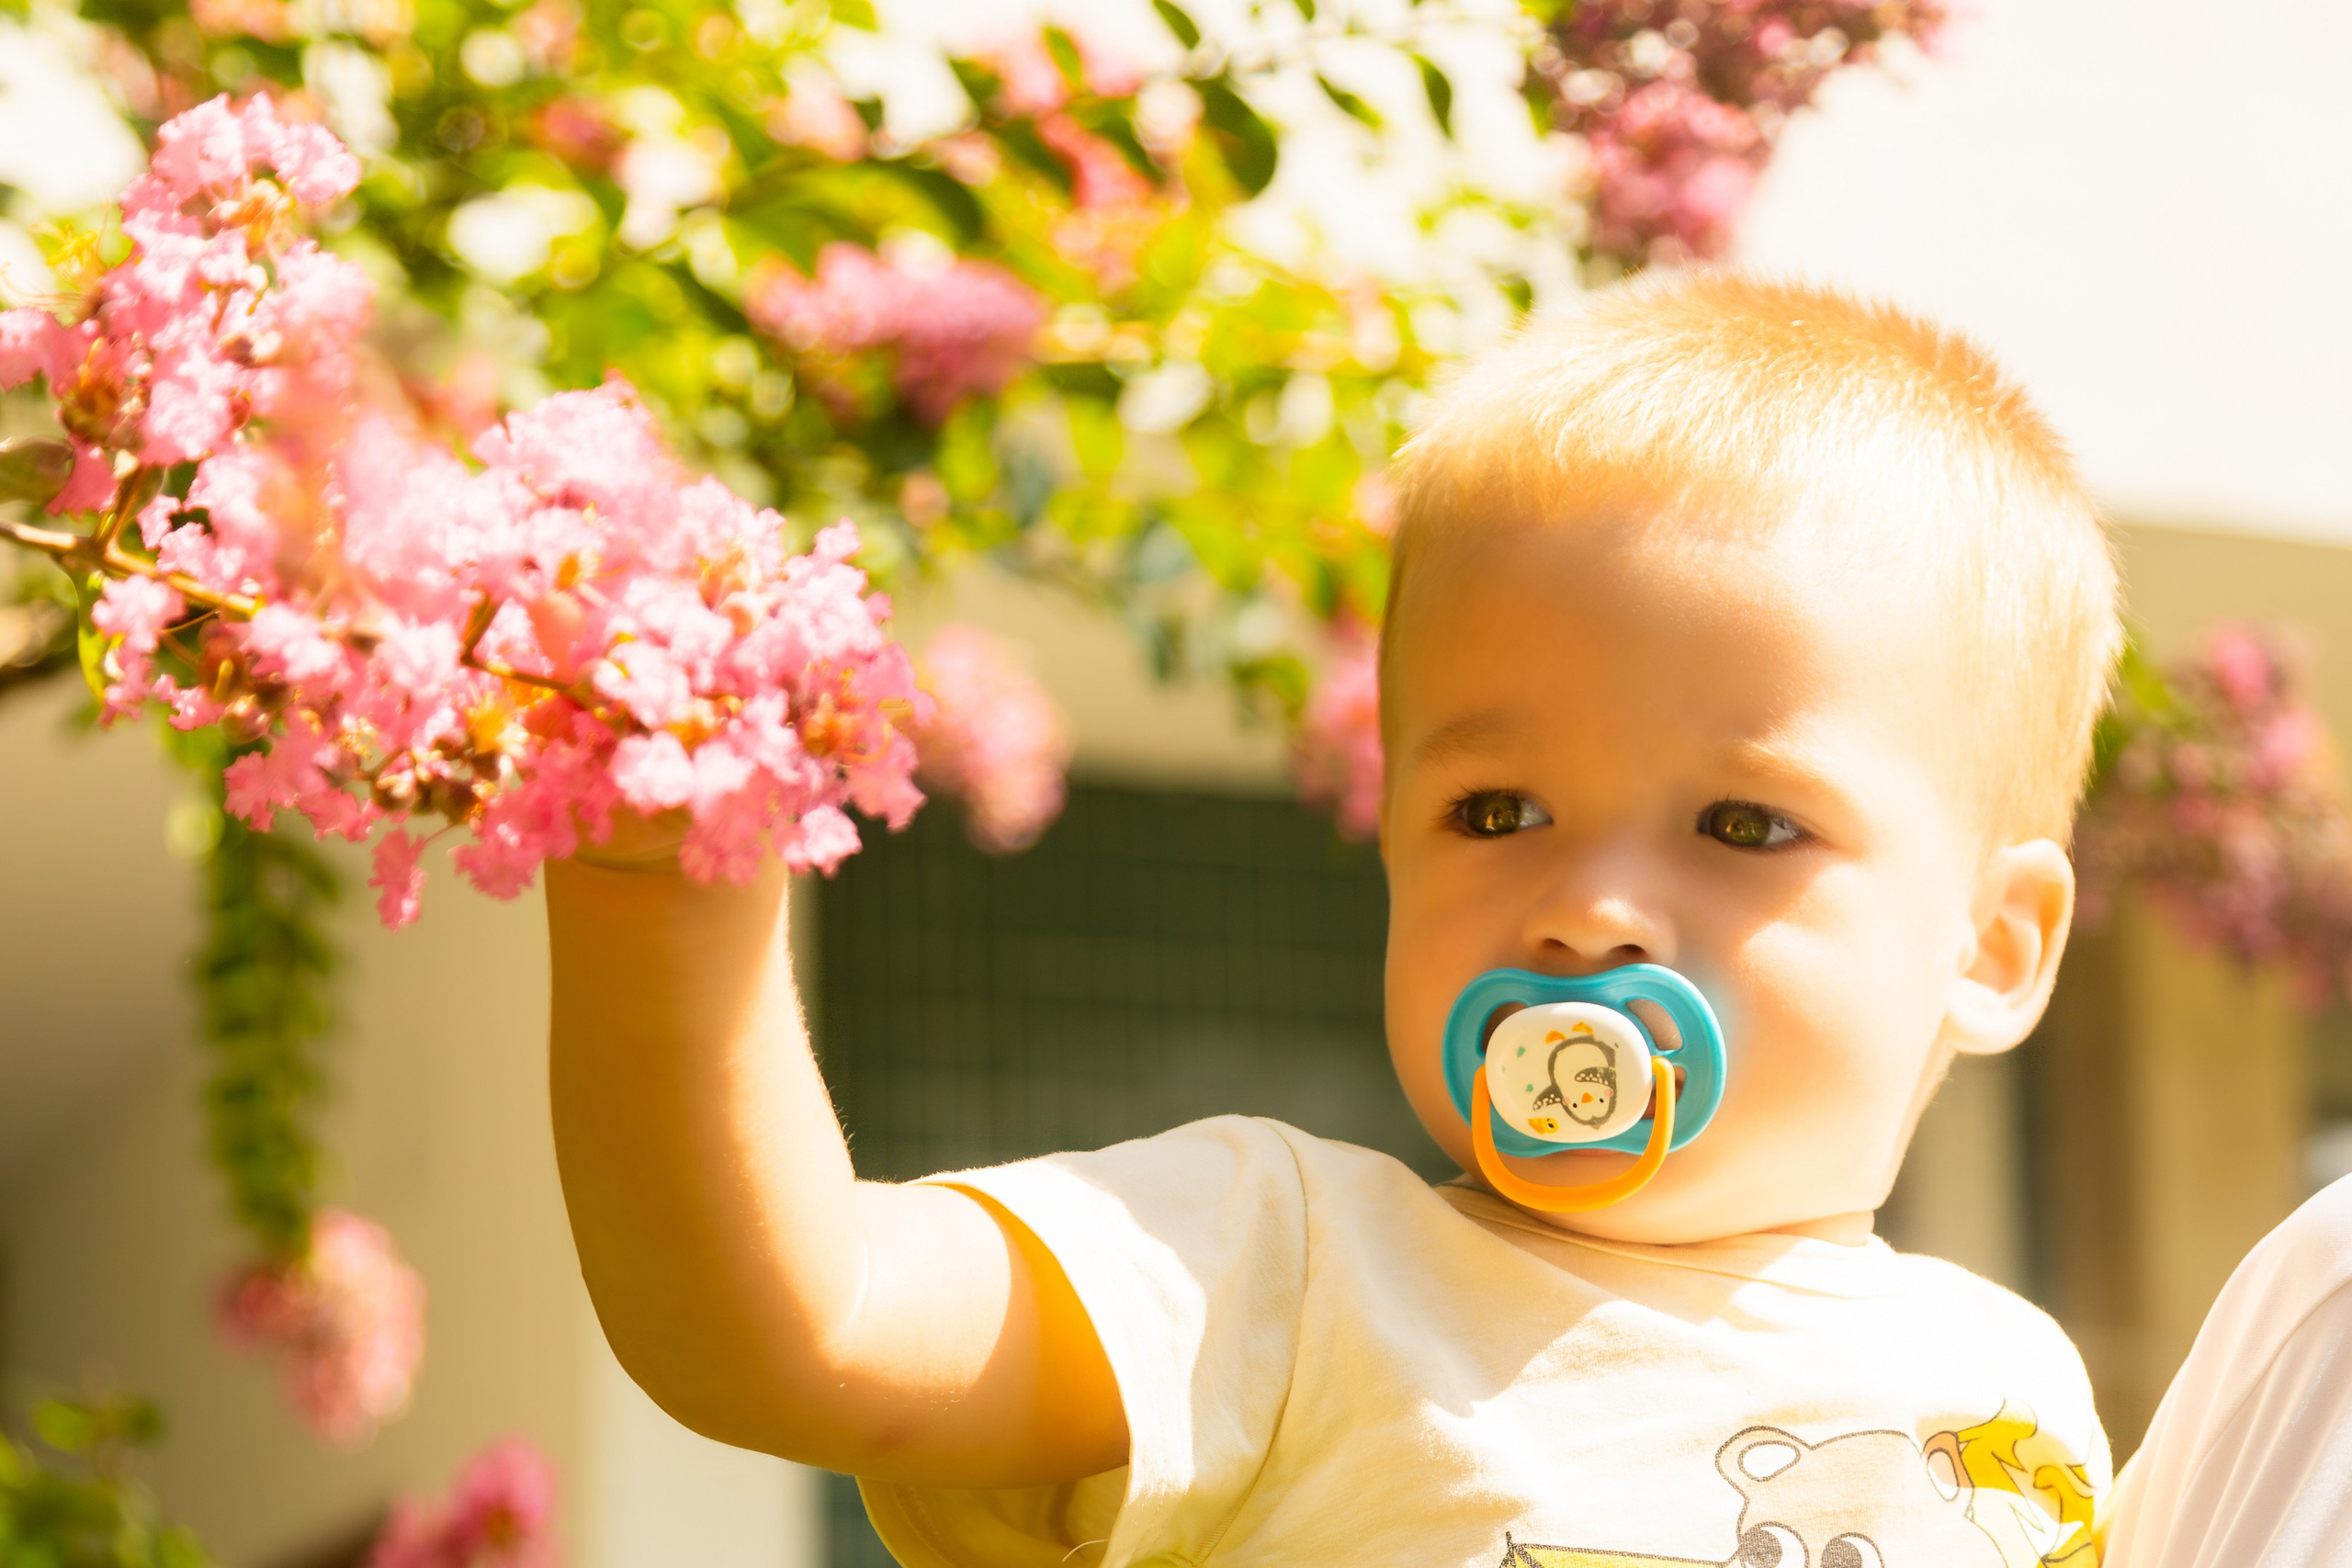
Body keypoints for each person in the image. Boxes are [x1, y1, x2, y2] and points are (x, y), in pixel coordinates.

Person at [543, 272, 2125, 1567]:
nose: (1589, 912)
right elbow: (802, 1326)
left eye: (1743, 825)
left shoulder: (2016, 1401)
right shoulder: (1283, 1274)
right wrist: (659, 888)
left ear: (1990, 948)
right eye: (1496, 812)